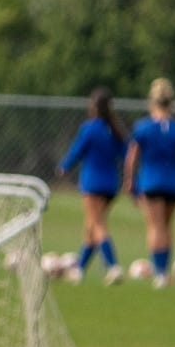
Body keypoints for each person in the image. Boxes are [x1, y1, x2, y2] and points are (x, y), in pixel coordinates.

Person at [123, 78, 175, 290]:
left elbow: (132, 157)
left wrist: (130, 180)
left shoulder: (143, 127)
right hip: (173, 184)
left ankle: (160, 273)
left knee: (155, 227)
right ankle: (164, 271)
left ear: (151, 102)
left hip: (150, 182)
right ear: (171, 102)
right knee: (166, 226)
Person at [57, 86, 128, 285]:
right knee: (91, 226)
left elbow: (77, 150)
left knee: (97, 225)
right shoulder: (115, 129)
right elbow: (127, 154)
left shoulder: (89, 128)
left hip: (92, 183)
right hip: (111, 184)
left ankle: (113, 266)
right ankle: (79, 270)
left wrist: (64, 166)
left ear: (94, 106)